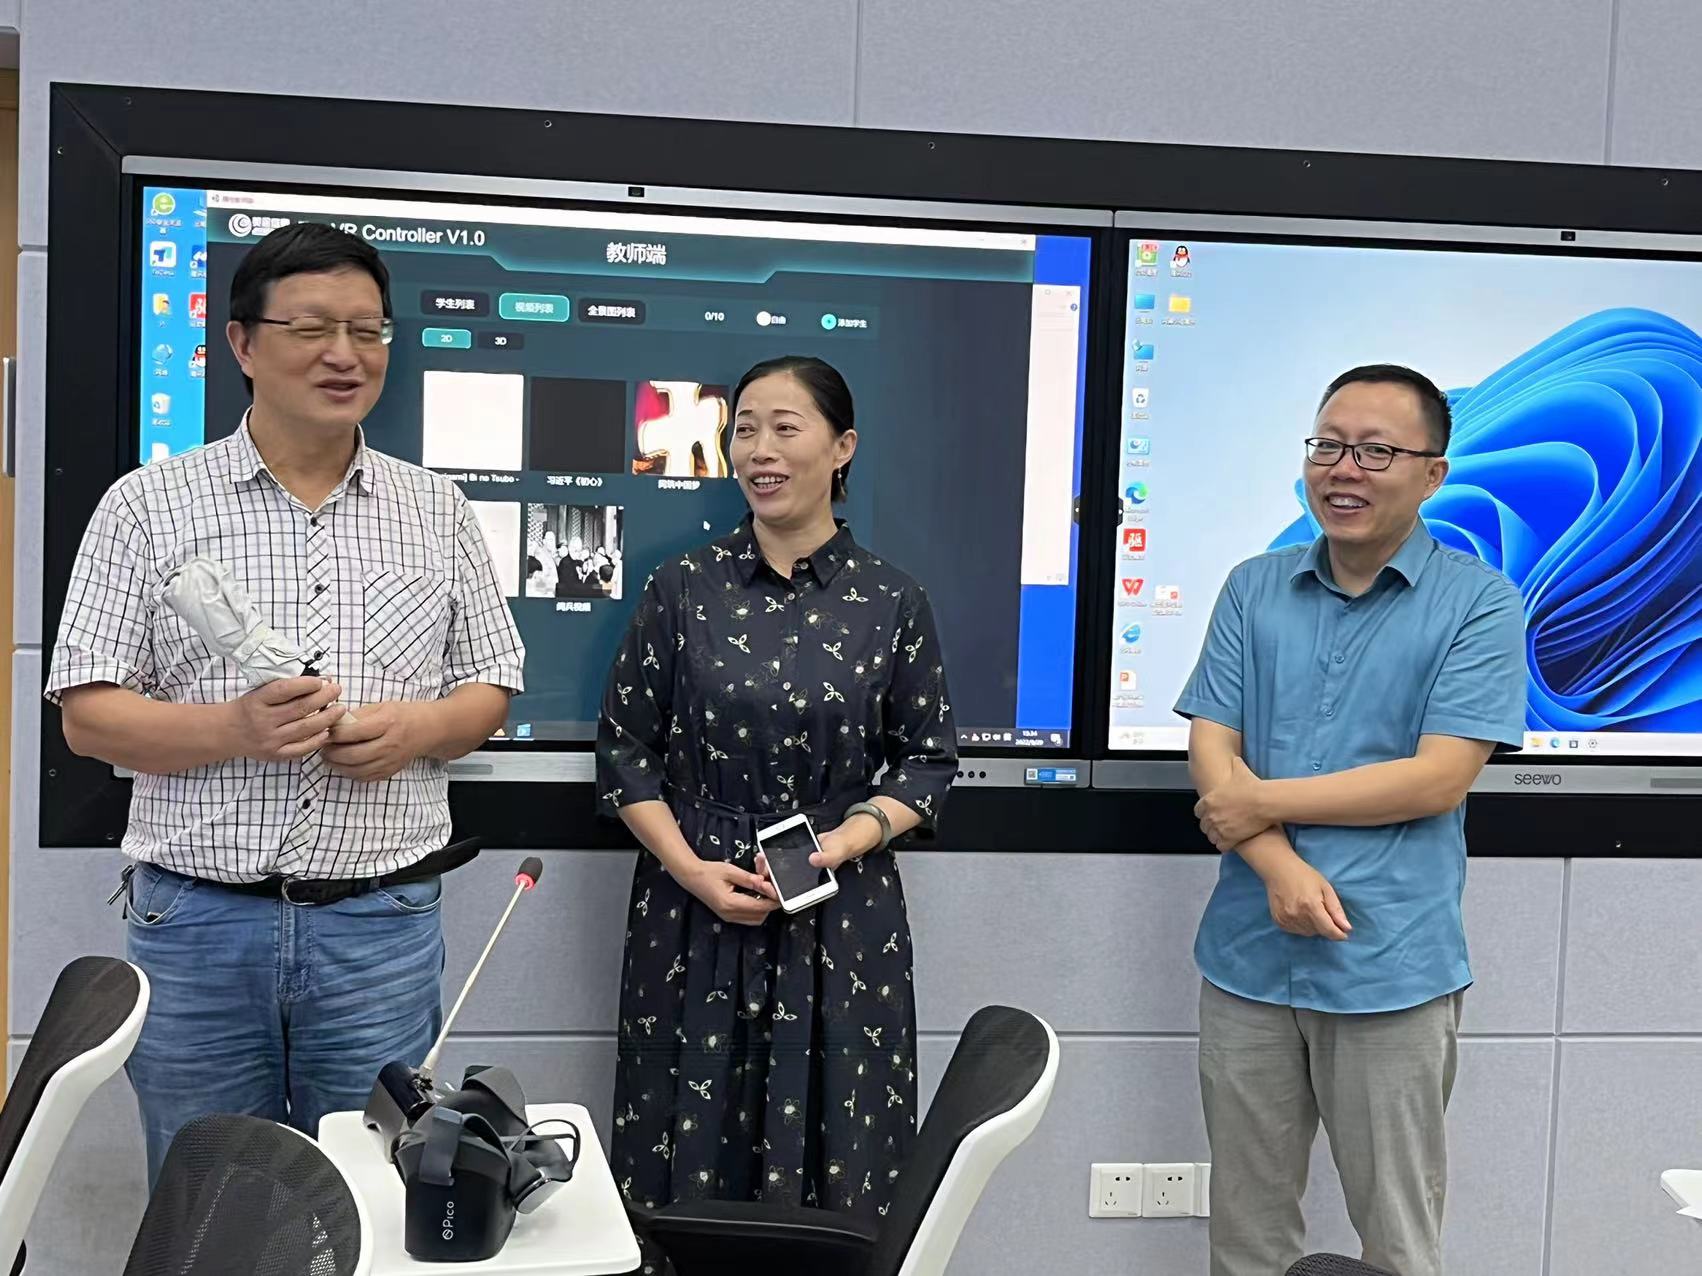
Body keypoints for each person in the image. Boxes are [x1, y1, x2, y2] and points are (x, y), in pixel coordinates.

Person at [47, 222, 526, 1184]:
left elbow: (491, 690)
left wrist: (418, 729)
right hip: (197, 927)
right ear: (242, 342)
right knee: (208, 1196)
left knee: (371, 1194)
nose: (345, 354)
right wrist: (233, 728)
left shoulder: (436, 510)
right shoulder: (147, 505)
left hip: (379, 928)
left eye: (367, 330)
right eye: (311, 327)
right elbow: (87, 716)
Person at [1177, 365, 1525, 1276]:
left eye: (1375, 451)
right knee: (1245, 1233)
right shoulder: (1253, 587)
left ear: (1433, 473)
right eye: (1328, 445)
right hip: (1248, 957)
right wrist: (1280, 867)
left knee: (1398, 1239)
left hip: (1389, 963)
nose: (1343, 468)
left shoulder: (1481, 602)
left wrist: (1264, 802)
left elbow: (1438, 779)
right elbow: (1213, 751)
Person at [596, 354, 956, 1219]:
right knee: (684, 1154)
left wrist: (846, 839)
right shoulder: (681, 589)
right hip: (693, 906)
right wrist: (690, 869)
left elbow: (928, 760)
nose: (760, 450)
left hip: (842, 911)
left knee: (842, 1154)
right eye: (745, 429)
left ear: (842, 448)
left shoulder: (893, 601)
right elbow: (625, 751)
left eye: (785, 428)